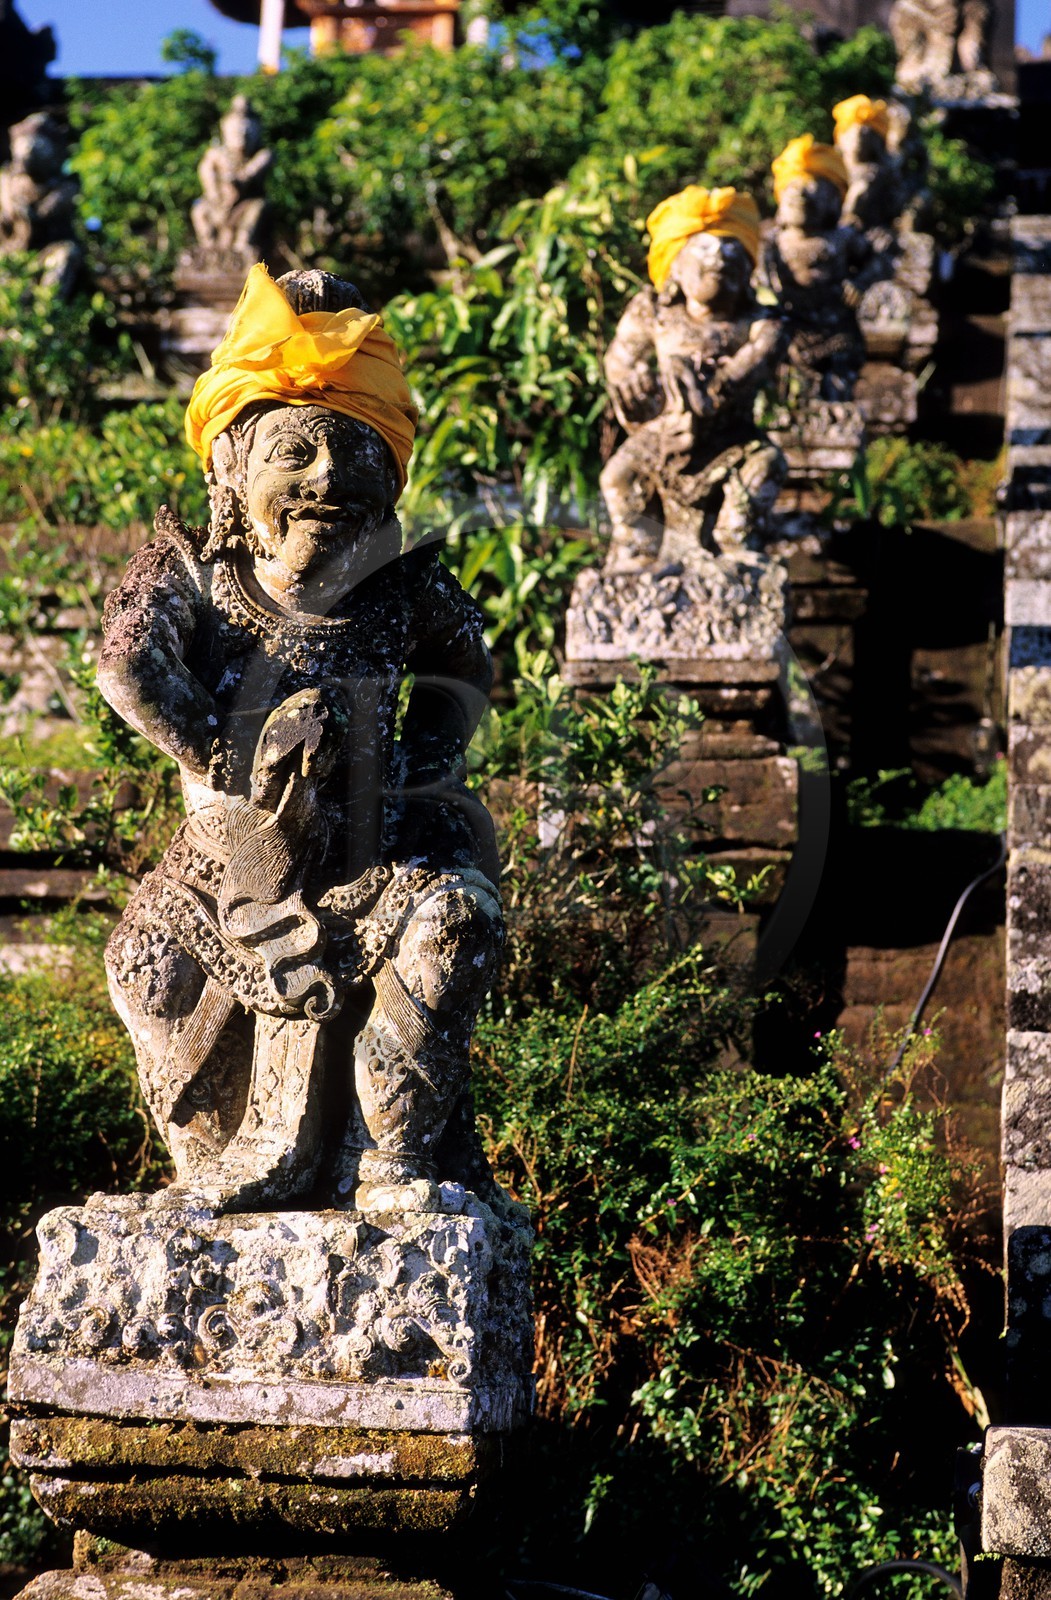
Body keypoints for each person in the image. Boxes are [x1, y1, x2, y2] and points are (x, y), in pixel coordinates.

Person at [97, 265, 504, 1217]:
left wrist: (424, 765)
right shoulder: (193, 574)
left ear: (389, 479)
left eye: (355, 452)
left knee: (452, 926)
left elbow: (468, 665)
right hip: (226, 861)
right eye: (296, 451)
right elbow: (126, 667)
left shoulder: (404, 588)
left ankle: (387, 1152)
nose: (326, 477)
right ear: (231, 473)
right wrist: (224, 757)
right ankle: (209, 1159)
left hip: (381, 851)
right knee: (147, 958)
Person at [600, 184, 785, 573]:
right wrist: (633, 382)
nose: (717, 259)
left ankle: (735, 540)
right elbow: (619, 361)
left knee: (768, 464)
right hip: (665, 432)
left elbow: (754, 362)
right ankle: (637, 546)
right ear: (677, 267)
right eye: (703, 251)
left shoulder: (760, 323)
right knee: (617, 477)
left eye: (730, 252)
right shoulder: (653, 311)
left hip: (732, 437)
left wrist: (711, 385)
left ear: (747, 269)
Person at [763, 134, 869, 401]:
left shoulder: (842, 238)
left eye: (811, 188)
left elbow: (879, 261)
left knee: (838, 385)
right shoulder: (770, 241)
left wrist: (861, 282)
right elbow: (759, 281)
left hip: (834, 326)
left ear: (833, 199)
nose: (800, 195)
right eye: (792, 188)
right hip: (789, 326)